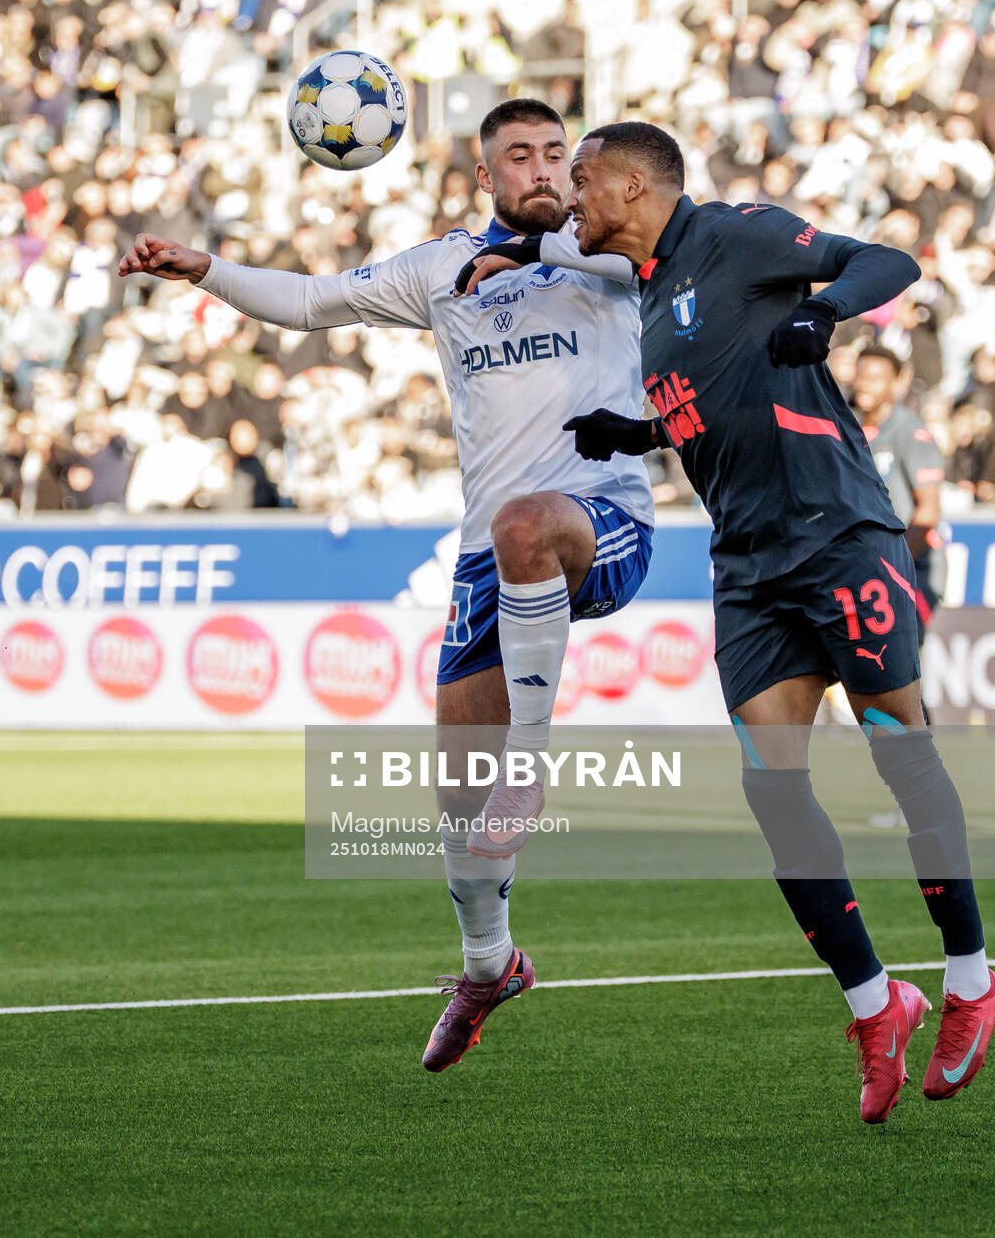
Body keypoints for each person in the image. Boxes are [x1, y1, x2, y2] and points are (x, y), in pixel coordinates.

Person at [472, 121, 995, 1124]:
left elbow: (882, 260)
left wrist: (828, 313)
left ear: (631, 184)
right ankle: (872, 999)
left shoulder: (735, 232)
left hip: (837, 535)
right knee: (773, 790)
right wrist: (640, 428)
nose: (571, 199)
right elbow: (716, 399)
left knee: (900, 752)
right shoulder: (648, 295)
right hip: (748, 566)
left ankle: (972, 980)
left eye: (579, 179)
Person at [119, 99, 656, 1074]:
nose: (538, 167)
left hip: (601, 517)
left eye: (552, 153)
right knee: (455, 800)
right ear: (483, 174)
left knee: (528, 524)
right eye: (516, 156)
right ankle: (487, 965)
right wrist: (203, 270)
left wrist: (539, 254)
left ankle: (529, 765)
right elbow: (313, 299)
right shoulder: (438, 267)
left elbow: (640, 263)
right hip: (487, 558)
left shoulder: (611, 250)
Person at [849, 345, 945, 626]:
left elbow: (928, 511)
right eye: (861, 375)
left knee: (899, 663)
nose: (865, 384)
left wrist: (895, 569)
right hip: (864, 569)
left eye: (876, 377)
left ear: (896, 383)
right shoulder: (849, 426)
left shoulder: (909, 432)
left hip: (911, 569)